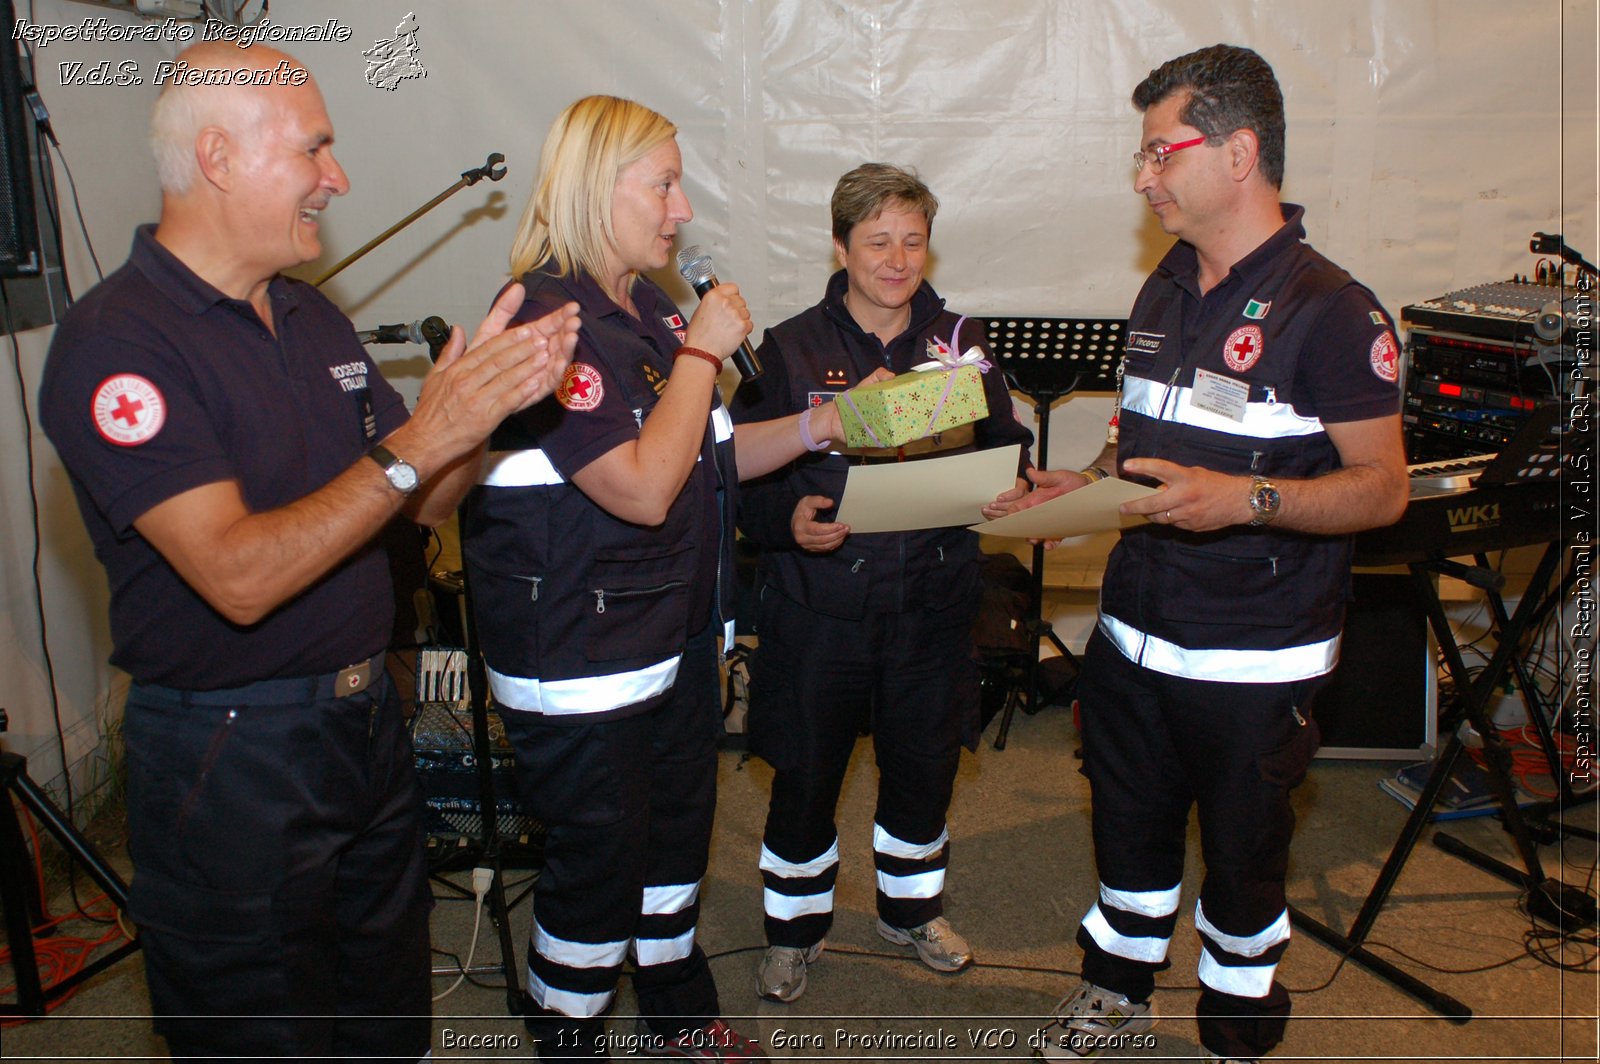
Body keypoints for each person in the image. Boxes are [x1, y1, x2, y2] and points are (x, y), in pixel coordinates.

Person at [36, 41, 580, 1061]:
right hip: (231, 751)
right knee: (259, 1026)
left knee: (381, 1009)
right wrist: (425, 434)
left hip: (363, 724)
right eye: (315, 149)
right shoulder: (120, 342)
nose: (337, 178)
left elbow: (415, 504)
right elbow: (239, 575)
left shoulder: (308, 312)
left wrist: (483, 418)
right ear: (219, 156)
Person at [1006, 46, 1409, 1063]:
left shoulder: (1334, 308)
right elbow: (1137, 437)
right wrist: (1086, 479)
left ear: (1238, 153)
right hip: (1135, 630)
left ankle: (1236, 1025)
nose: (1142, 176)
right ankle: (1115, 989)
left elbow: (1382, 485)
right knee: (1128, 828)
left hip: (1252, 653)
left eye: (1158, 151)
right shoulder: (1167, 281)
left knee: (1241, 854)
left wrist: (1249, 500)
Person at [464, 94, 844, 1061]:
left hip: (671, 644)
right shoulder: (551, 322)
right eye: (663, 185)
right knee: (596, 873)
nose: (682, 211)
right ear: (598, 185)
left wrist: (817, 427)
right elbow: (640, 488)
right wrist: (706, 352)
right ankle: (570, 1040)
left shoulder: (649, 307)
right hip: (584, 659)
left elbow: (701, 451)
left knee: (673, 853)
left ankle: (679, 1024)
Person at [728, 163, 1033, 1004]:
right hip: (819, 610)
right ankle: (794, 933)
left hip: (934, 607)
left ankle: (910, 912)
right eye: (877, 242)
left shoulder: (962, 343)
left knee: (924, 772)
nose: (898, 261)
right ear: (840, 246)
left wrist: (1010, 481)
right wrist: (786, 519)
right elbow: (739, 480)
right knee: (805, 774)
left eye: (912, 241)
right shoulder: (790, 348)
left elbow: (1006, 444)